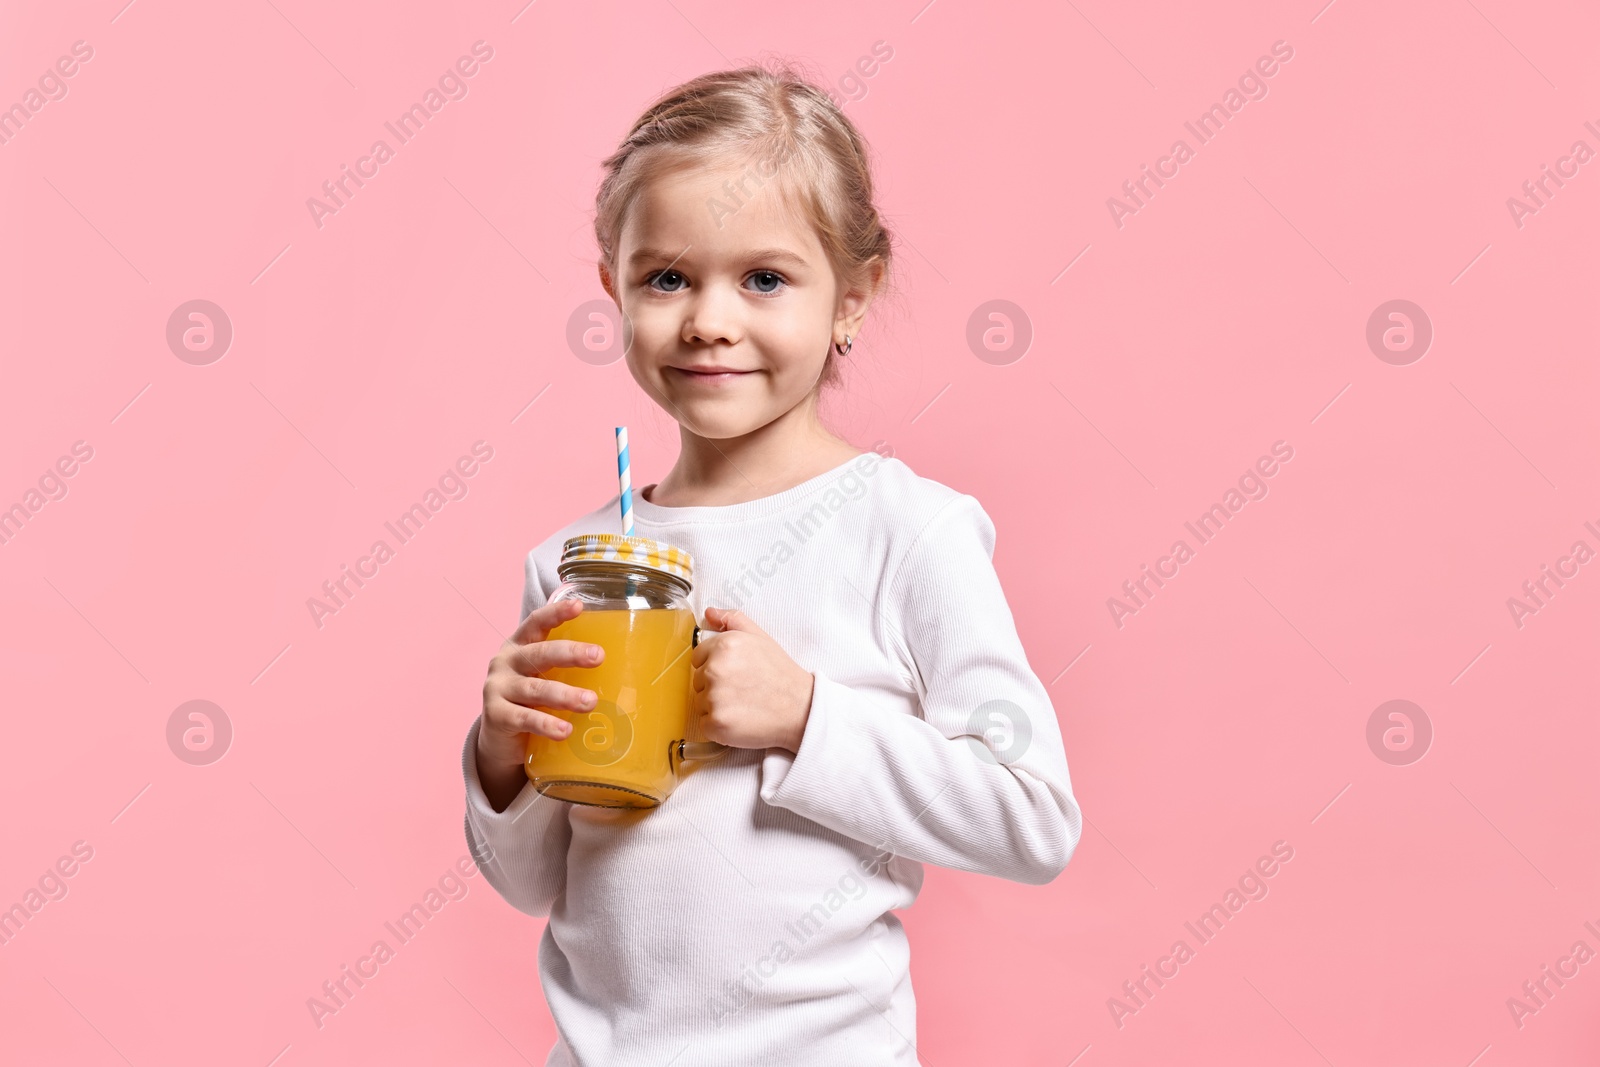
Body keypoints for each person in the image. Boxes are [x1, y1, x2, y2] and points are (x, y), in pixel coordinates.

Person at [462, 61, 1083, 1066]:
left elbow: (1033, 816)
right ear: (612, 286)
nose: (709, 317)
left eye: (763, 277)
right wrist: (501, 756)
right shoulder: (575, 568)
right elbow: (532, 882)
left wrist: (804, 716)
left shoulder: (906, 530)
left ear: (853, 294)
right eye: (666, 276)